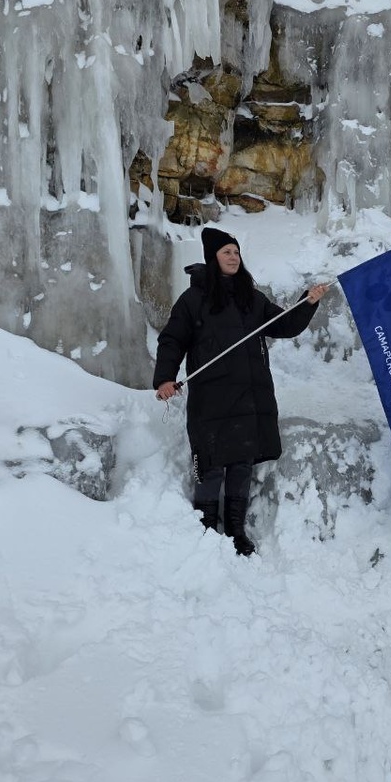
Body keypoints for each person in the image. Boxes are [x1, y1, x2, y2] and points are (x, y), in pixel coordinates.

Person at [154, 227, 329, 555]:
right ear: (213, 258)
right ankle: (206, 526)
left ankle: (236, 529)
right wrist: (165, 377)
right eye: (226, 252)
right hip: (212, 398)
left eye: (236, 252)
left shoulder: (252, 299)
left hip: (250, 396)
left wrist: (307, 303)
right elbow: (172, 339)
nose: (233, 257)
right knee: (211, 464)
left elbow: (286, 325)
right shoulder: (194, 300)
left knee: (241, 465)